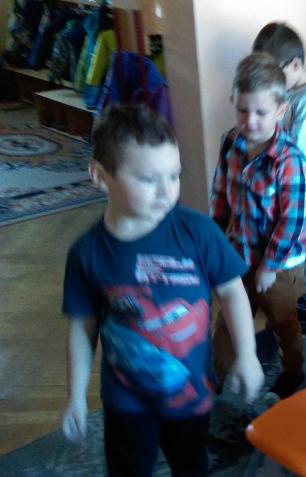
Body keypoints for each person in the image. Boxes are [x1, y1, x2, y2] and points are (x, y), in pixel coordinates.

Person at [61, 104, 264, 476]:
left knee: (191, 467)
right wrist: (75, 395)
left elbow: (233, 292)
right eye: (149, 179)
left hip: (191, 393)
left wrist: (247, 354)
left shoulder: (198, 232)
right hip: (126, 402)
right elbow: (82, 327)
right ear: (100, 176)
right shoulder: (86, 253)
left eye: (174, 175)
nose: (167, 191)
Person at [210, 52, 306, 399]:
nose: (250, 121)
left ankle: (293, 370)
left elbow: (291, 220)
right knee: (228, 323)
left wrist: (269, 265)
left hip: (280, 266)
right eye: (243, 110)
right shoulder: (229, 143)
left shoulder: (290, 159)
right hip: (239, 256)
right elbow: (220, 195)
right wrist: (213, 242)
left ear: (280, 110)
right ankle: (217, 377)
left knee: (283, 323)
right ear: (233, 102)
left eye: (261, 113)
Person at [253, 22, 306, 314]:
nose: (270, 83)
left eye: (274, 74)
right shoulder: (291, 93)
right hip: (293, 187)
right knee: (290, 237)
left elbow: (298, 155)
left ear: (295, 64)